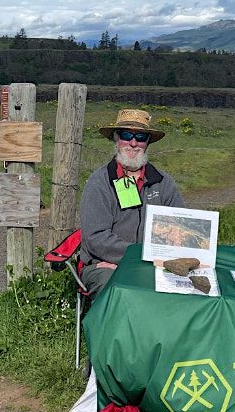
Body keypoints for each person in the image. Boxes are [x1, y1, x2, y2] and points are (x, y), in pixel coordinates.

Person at [79, 108, 185, 296]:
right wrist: (130, 260)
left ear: (147, 143)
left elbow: (180, 229)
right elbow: (96, 238)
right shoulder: (99, 183)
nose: (133, 143)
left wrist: (149, 262)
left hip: (155, 264)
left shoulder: (164, 183)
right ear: (116, 139)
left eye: (141, 137)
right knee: (116, 288)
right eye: (127, 135)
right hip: (106, 264)